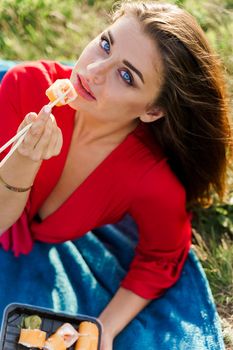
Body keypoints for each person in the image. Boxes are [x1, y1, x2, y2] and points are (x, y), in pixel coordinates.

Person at [0, 1, 231, 349]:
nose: (93, 69)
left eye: (126, 75)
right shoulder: (26, 88)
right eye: (105, 44)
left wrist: (104, 327)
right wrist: (24, 160)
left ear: (152, 111)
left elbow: (162, 257)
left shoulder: (148, 179)